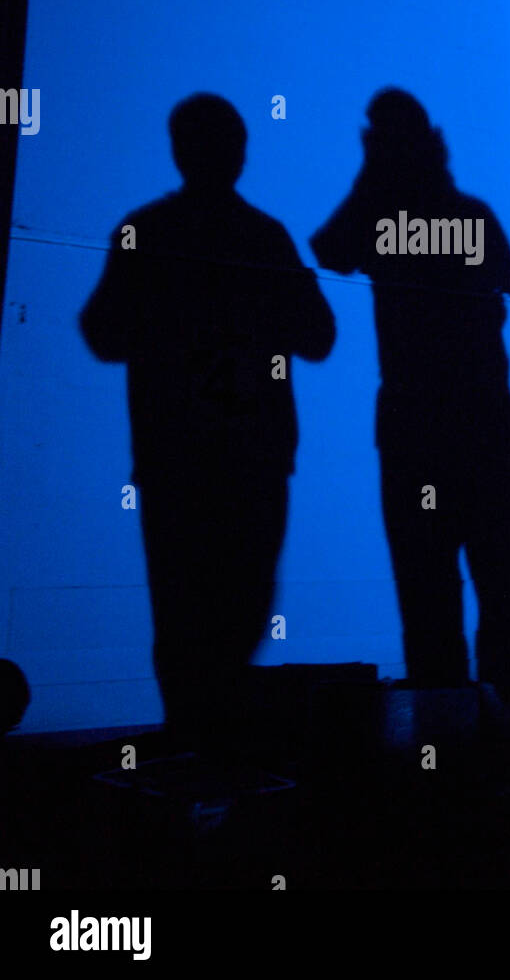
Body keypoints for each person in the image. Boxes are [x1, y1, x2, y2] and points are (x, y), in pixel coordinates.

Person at [80, 93, 334, 734]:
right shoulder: (265, 237)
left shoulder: (146, 230)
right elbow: (319, 336)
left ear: (178, 151)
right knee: (238, 613)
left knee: (182, 618)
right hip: (253, 460)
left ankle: (192, 757)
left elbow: (103, 333)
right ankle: (219, 755)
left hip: (175, 460)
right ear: (238, 154)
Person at [311, 89, 510, 703]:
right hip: (469, 422)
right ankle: (504, 742)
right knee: (488, 592)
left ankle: (460, 747)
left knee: (442, 596)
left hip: (432, 427)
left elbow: (328, 251)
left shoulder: (399, 218)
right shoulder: (452, 215)